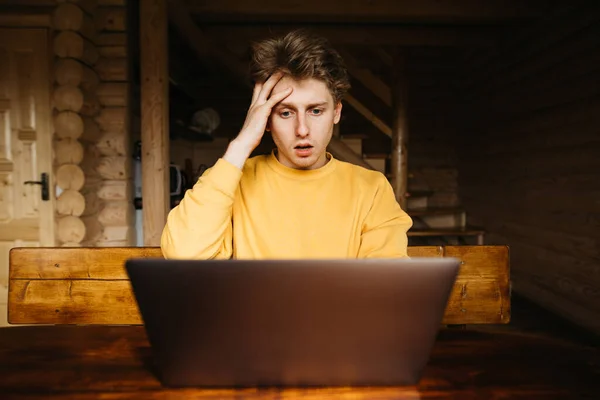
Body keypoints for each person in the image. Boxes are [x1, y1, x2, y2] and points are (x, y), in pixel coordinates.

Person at [161, 29, 412, 259]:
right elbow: (184, 253)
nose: (302, 130)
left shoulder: (372, 189)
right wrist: (242, 143)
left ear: (336, 113)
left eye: (315, 111)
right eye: (285, 113)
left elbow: (385, 284)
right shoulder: (233, 183)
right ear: (265, 119)